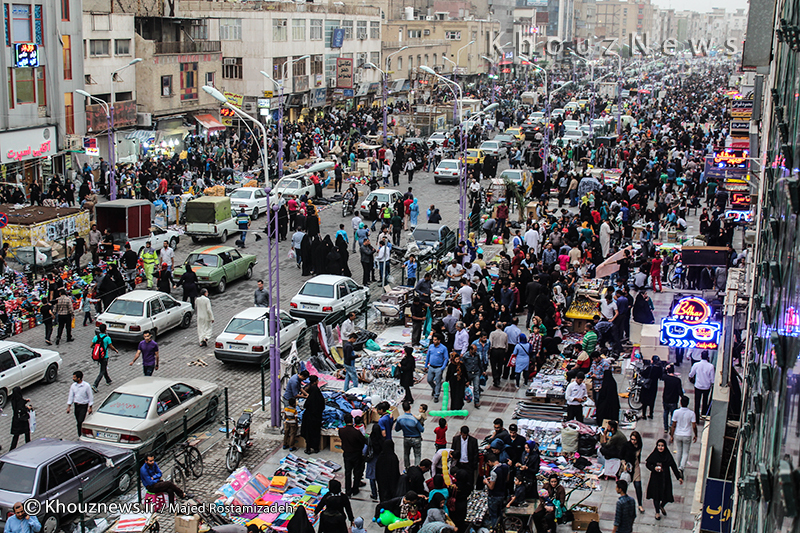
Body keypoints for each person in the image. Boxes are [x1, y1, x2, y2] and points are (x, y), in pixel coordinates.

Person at [645, 439, 683, 520]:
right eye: (659, 446)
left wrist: (679, 477)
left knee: (667, 495)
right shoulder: (654, 455)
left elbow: (673, 466)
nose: (660, 447)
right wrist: (654, 468)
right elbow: (648, 463)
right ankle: (657, 512)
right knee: (656, 496)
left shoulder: (667, 455)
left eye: (662, 446)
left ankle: (661, 506)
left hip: (665, 478)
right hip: (655, 478)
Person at [338, 413, 367, 496]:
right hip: (356, 454)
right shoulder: (356, 432)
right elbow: (362, 442)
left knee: (348, 472)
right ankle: (355, 488)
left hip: (347, 454)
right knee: (357, 472)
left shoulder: (341, 431)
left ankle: (348, 490)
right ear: (352, 420)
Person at [669, 396, 697, 475]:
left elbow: (673, 425)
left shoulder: (676, 412)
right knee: (685, 452)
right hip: (687, 434)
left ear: (680, 403)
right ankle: (681, 467)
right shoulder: (691, 413)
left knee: (679, 451)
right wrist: (696, 435)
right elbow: (694, 426)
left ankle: (678, 466)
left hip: (678, 433)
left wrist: (672, 435)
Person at [483, 453, 509, 528]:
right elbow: (507, 479)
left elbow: (491, 487)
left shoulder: (494, 472)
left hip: (494, 496)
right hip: (502, 494)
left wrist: (486, 482)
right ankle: (502, 528)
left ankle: (495, 529)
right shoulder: (505, 467)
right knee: (499, 513)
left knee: (493, 515)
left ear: (489, 461)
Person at [396, 401, 424, 469]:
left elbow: (397, 429)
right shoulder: (414, 419)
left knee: (406, 454)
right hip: (416, 438)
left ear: (403, 408)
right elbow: (421, 430)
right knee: (417, 455)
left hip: (406, 438)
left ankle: (407, 467)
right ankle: (417, 468)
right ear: (410, 407)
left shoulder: (400, 419)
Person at [622, 431, 645, 513]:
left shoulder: (639, 446)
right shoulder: (626, 446)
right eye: (632, 439)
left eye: (635, 440)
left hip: (635, 466)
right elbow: (621, 455)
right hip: (628, 467)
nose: (633, 441)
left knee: (638, 485)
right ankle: (623, 503)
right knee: (625, 485)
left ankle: (640, 504)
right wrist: (624, 463)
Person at [91, 323, 119, 392]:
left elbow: (91, 345)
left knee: (104, 367)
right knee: (102, 370)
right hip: (104, 356)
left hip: (98, 356)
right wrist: (115, 350)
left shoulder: (96, 337)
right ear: (105, 329)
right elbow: (111, 346)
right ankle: (95, 384)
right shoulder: (107, 338)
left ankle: (108, 380)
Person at [301, 375, 325, 454]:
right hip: (316, 416)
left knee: (308, 433)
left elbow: (306, 405)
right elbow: (322, 404)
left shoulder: (310, 391)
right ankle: (315, 448)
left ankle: (308, 449)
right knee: (315, 433)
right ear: (316, 381)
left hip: (309, 416)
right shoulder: (317, 392)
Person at [689, 351, 715, 420]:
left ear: (701, 356)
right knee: (705, 401)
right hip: (706, 386)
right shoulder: (711, 366)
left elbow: (691, 374)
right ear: (708, 357)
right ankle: (703, 415)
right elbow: (712, 379)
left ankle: (696, 418)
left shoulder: (696, 365)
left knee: (697, 402)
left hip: (698, 386)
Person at [66, 371, 93, 437]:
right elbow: (71, 396)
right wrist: (69, 406)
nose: (73, 378)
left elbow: (90, 396)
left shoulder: (86, 386)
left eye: (74, 377)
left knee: (81, 421)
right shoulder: (73, 386)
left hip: (83, 405)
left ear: (79, 378)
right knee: (78, 421)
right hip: (76, 405)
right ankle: (80, 434)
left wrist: (90, 407)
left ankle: (81, 435)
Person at [425, 335, 448, 402]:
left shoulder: (443, 348)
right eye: (433, 340)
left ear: (439, 340)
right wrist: (426, 365)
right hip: (431, 367)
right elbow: (428, 356)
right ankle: (434, 389)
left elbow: (446, 358)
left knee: (438, 382)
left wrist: (443, 368)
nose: (434, 341)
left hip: (439, 367)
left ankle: (436, 395)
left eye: (435, 340)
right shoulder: (431, 346)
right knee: (429, 380)